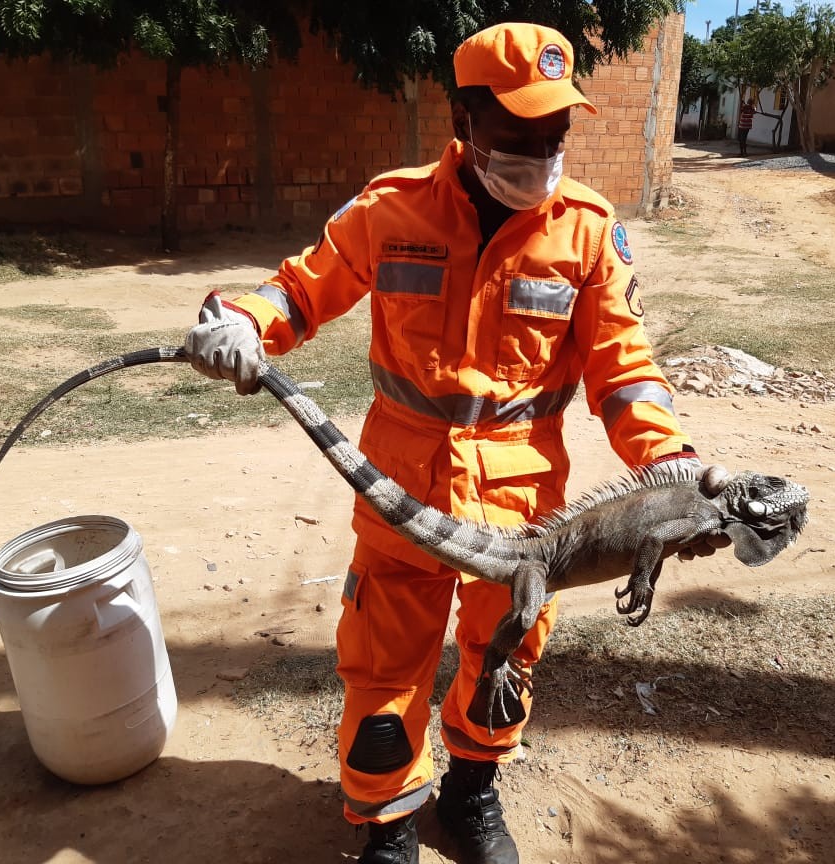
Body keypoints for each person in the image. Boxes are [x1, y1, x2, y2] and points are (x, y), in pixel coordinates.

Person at [185, 22, 728, 864]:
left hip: (525, 513)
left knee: (502, 661)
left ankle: (471, 796)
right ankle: (388, 824)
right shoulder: (389, 209)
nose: (541, 153)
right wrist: (242, 324)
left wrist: (678, 469)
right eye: (518, 133)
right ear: (467, 119)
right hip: (401, 493)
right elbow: (299, 292)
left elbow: (625, 372)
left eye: (556, 134)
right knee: (383, 671)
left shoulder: (585, 230)